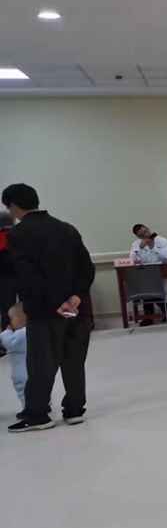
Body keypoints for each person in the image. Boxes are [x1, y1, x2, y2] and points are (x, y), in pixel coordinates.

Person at [2, 183, 95, 433]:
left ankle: (38, 415)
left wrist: (55, 303)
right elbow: (86, 267)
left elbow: (29, 276)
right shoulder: (66, 228)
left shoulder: (19, 234)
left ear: (13, 206)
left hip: (44, 310)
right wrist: (75, 296)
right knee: (74, 360)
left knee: (41, 363)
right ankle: (74, 410)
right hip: (76, 309)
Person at [129, 224, 167, 325]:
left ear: (148, 229)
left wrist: (154, 248)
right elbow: (132, 261)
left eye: (145, 232)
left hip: (161, 272)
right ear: (138, 237)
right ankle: (163, 313)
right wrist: (140, 249)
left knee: (153, 288)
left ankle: (150, 316)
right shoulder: (136, 245)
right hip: (144, 275)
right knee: (146, 288)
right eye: (141, 235)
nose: (145, 235)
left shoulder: (162, 241)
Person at [1, 303, 27, 411]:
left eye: (12, 319)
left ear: (22, 320)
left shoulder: (22, 333)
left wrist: (6, 333)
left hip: (23, 371)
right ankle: (44, 404)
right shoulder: (32, 332)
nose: (10, 323)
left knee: (24, 392)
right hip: (30, 369)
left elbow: (10, 343)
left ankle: (27, 409)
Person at [0, 210, 15, 355]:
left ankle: (4, 343)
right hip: (23, 278)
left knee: (5, 311)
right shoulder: (19, 237)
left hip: (3, 281)